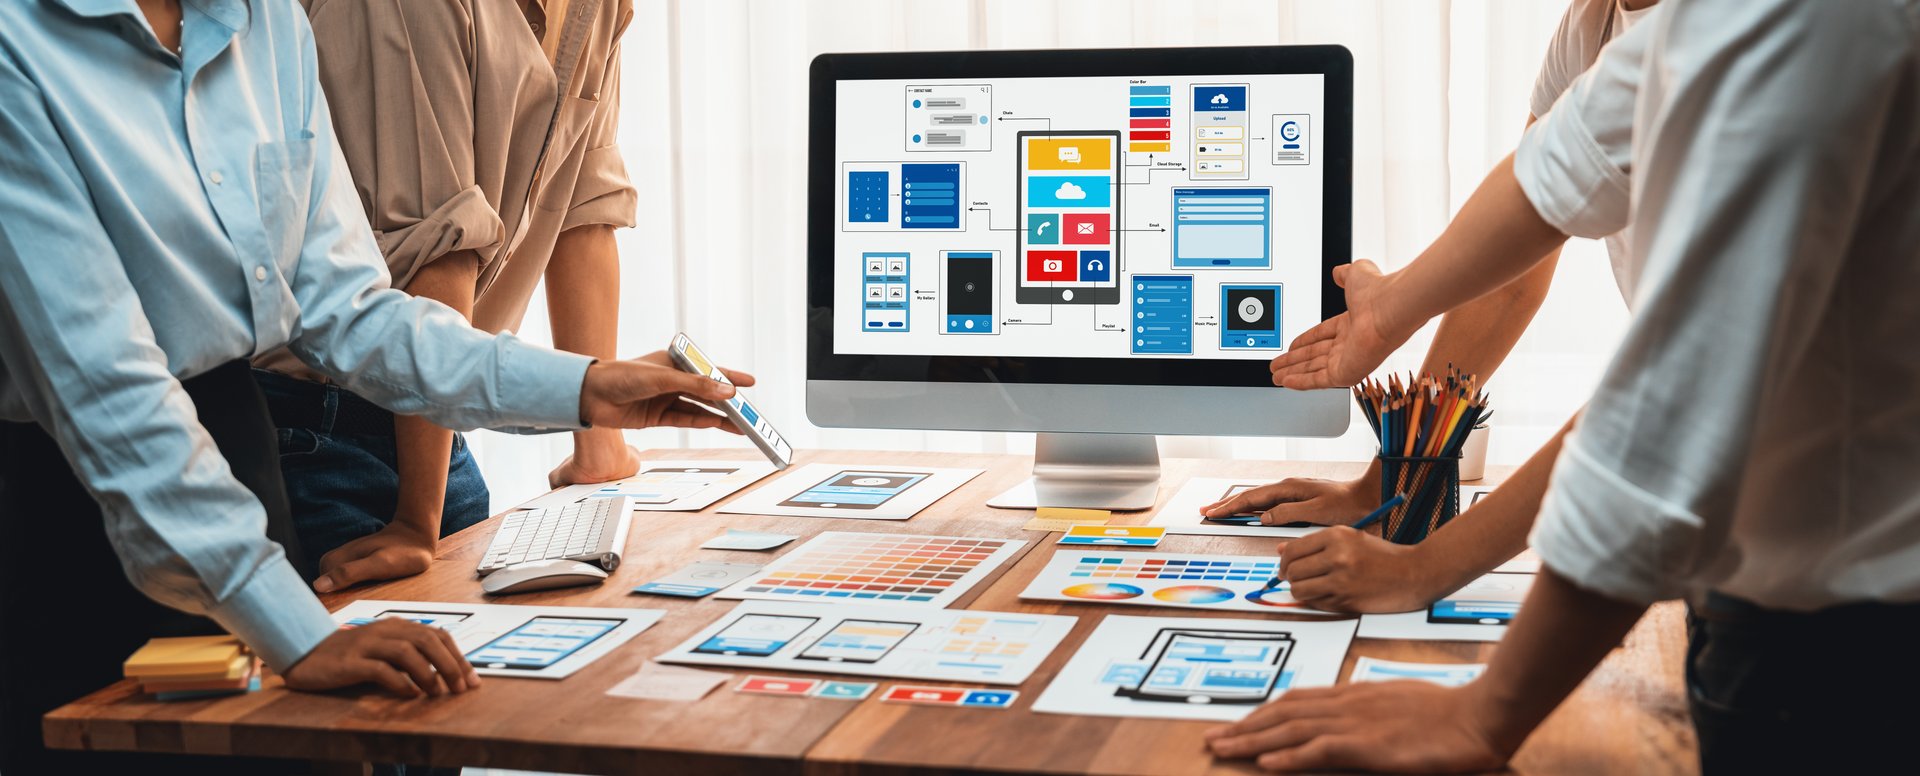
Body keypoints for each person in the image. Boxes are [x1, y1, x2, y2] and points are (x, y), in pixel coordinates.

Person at [0, 0, 748, 771]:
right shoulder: (16, 43)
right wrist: (295, 628)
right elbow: (107, 391)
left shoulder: (265, 22)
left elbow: (354, 316)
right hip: (72, 506)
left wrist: (587, 388)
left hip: (241, 462)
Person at [1205, 0, 1920, 771]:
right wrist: (1391, 341)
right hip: (1766, 588)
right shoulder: (1623, 23)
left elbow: (1669, 411)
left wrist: (1481, 709)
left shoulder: (1797, 22)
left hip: (1859, 631)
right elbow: (1551, 184)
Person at [1200, 0, 1659, 614]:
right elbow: (1514, 262)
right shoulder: (1595, 23)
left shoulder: (1752, 37)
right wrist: (1394, 477)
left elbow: (1679, 388)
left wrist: (1427, 570)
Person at [254, 0, 645, 596]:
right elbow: (434, 250)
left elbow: (584, 209)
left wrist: (599, 443)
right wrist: (416, 520)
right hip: (317, 436)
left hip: (432, 437)